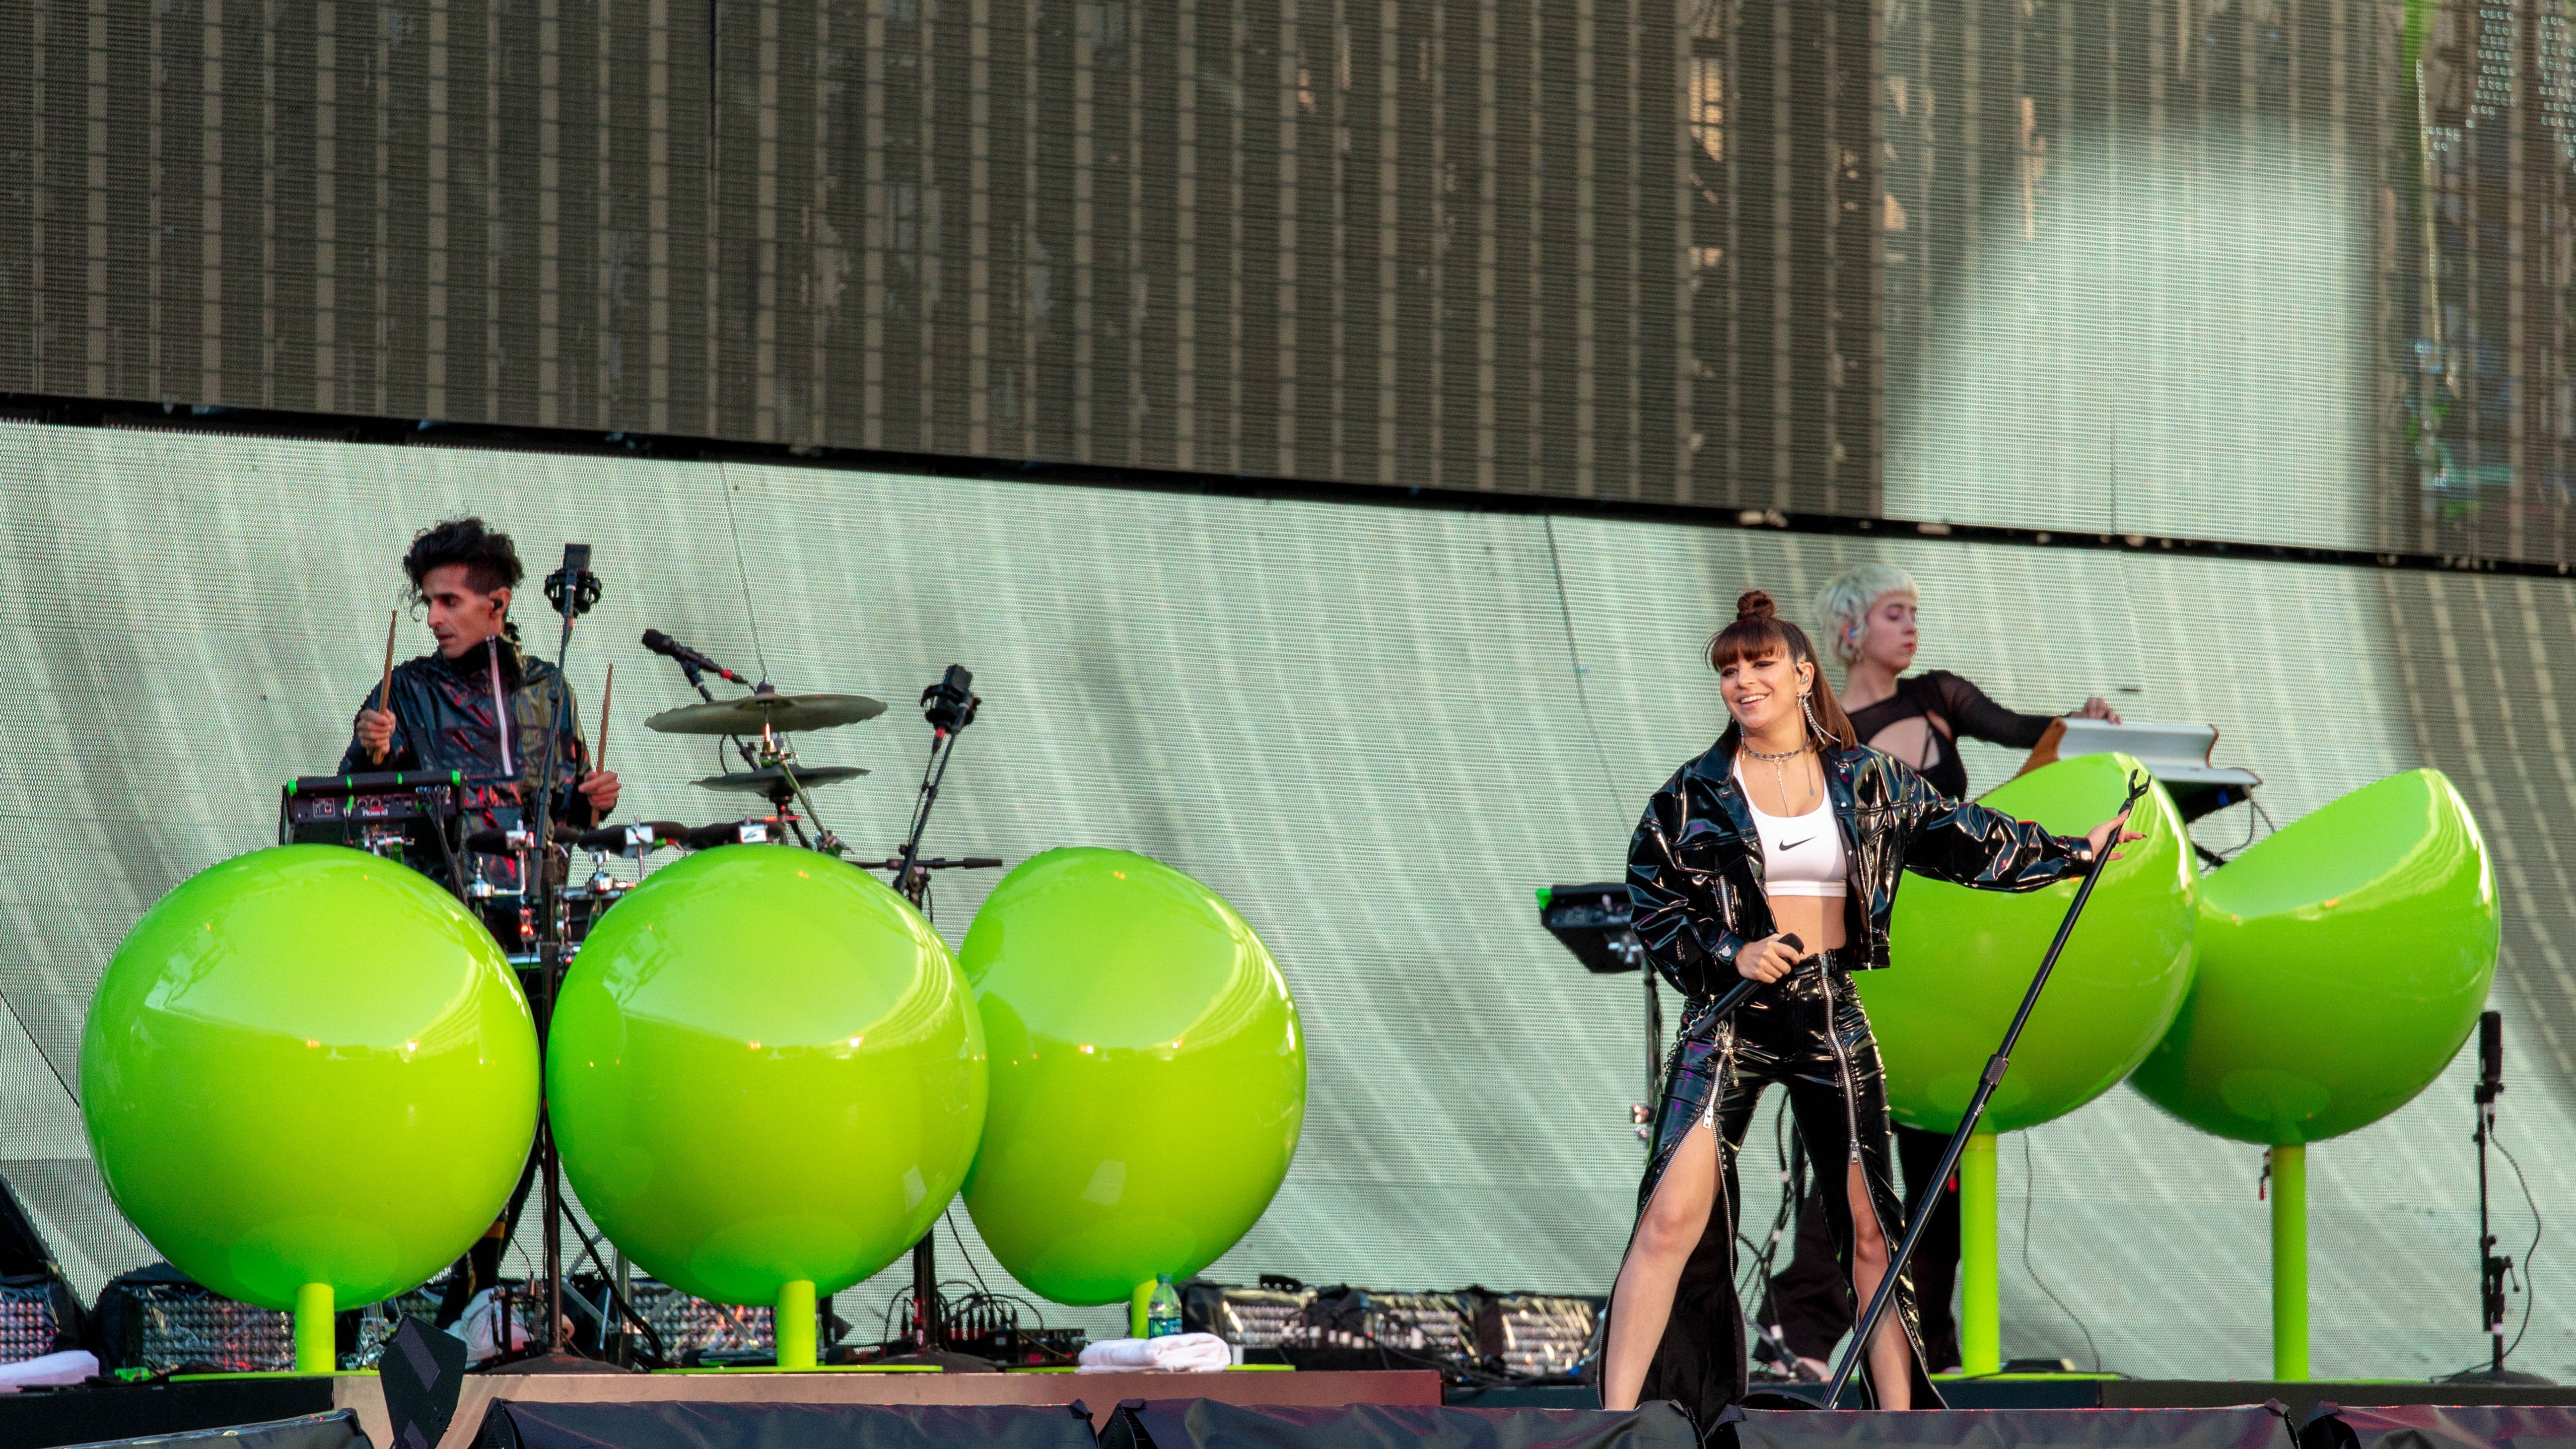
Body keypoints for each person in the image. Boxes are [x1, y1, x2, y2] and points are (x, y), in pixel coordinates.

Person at [1602, 590, 2138, 1418]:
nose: (1742, 682)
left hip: (1827, 1013)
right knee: (1669, 1218)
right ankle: (1614, 1423)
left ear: (1801, 674)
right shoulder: (1691, 794)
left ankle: (1897, 1424)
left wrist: (2074, 851)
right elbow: (1652, 896)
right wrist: (1727, 950)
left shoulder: (1866, 779)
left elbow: (1963, 836)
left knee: (1870, 1232)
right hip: (1729, 1016)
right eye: (1728, 670)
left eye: (1759, 664)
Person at [1746, 565, 2118, 1375]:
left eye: (1913, 612)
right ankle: (1798, 1333)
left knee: (1936, 1163)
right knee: (1850, 1151)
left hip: (1946, 963)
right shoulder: (1822, 730)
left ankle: (1929, 1347)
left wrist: (2081, 725)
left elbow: (2027, 734)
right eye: (1894, 613)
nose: (1910, 626)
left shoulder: (1939, 696)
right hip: (1869, 960)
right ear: (1850, 631)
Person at [337, 516, 618, 1326]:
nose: (433, 618)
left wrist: (589, 801)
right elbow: (355, 807)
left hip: (533, 924)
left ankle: (474, 1292)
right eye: (427, 603)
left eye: (449, 602)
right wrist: (374, 753)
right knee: (443, 1109)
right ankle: (394, 1291)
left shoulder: (549, 690)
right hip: (445, 934)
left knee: (526, 1112)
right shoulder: (404, 691)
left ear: (498, 605)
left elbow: (561, 813)